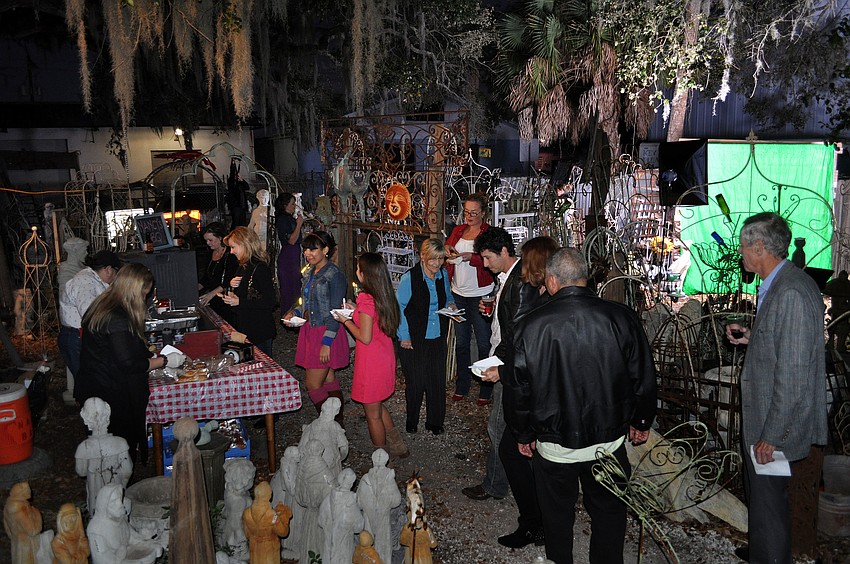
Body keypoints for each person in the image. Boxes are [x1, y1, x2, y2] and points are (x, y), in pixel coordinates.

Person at [506, 248, 656, 564]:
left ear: (550, 280)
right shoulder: (620, 317)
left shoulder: (530, 325)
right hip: (607, 441)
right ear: (585, 278)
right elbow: (642, 374)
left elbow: (519, 388)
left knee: (557, 516)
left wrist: (522, 433)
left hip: (554, 444)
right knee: (609, 513)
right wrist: (641, 421)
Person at [726, 212, 827, 564]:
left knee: (769, 505)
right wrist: (753, 338)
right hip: (769, 421)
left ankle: (769, 557)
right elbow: (786, 346)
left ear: (759, 247)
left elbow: (795, 374)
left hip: (775, 427)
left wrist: (772, 435)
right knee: (764, 502)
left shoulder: (792, 292)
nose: (740, 253)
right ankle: (765, 552)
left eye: (743, 246)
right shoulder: (781, 284)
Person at [462, 234, 559, 552]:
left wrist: (499, 367)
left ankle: (532, 520)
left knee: (512, 443)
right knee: (510, 442)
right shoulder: (526, 286)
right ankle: (535, 520)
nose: (485, 265)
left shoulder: (530, 288)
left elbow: (523, 343)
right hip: (516, 373)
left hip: (521, 379)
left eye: (488, 257)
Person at [75, 262, 170, 464]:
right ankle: (118, 484)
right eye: (144, 293)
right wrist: (162, 361)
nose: (145, 298)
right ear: (133, 290)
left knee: (107, 447)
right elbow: (127, 363)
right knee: (116, 449)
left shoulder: (103, 303)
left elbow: (122, 347)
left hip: (96, 382)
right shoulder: (117, 317)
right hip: (108, 390)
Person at [333, 252, 408, 457]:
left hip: (371, 362)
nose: (356, 271)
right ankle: (398, 446)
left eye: (358, 268)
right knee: (377, 405)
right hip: (384, 357)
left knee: (372, 414)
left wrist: (345, 320)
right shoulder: (383, 295)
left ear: (365, 274)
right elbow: (372, 320)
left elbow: (364, 337)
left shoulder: (367, 300)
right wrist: (355, 310)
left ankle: (380, 462)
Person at [282, 231, 349, 422]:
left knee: (313, 385)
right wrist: (294, 312)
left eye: (313, 249)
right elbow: (305, 301)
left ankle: (330, 425)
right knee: (328, 379)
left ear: (326, 250)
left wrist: (327, 341)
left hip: (326, 332)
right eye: (305, 249)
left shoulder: (334, 275)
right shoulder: (311, 272)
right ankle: (338, 426)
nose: (308, 253)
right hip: (310, 329)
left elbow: (336, 311)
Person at [396, 238, 456, 435]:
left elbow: (447, 297)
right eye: (432, 259)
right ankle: (412, 421)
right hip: (415, 337)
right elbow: (399, 308)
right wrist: (404, 336)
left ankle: (435, 422)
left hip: (437, 335)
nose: (437, 264)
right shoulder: (409, 279)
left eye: (440, 259)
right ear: (422, 257)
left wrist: (452, 306)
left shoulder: (442, 275)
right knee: (415, 381)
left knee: (436, 380)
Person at [445, 192, 496, 405]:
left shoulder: (489, 233)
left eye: (474, 212)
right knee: (462, 343)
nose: (470, 216)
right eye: (466, 212)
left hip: (481, 294)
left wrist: (470, 258)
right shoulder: (458, 230)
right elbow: (447, 250)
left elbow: (491, 259)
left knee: (484, 342)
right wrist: (448, 250)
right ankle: (463, 384)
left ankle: (486, 387)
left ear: (483, 212)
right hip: (459, 293)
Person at [58, 250, 121, 385]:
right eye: (116, 273)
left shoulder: (92, 279)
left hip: (79, 336)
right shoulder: (86, 282)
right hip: (76, 337)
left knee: (92, 381)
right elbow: (89, 313)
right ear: (109, 269)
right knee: (89, 383)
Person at [220, 226, 276, 357]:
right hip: (246, 327)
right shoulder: (243, 266)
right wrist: (232, 287)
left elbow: (270, 301)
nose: (231, 251)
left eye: (233, 247)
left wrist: (240, 302)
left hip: (259, 329)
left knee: (262, 369)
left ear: (245, 245)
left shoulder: (260, 268)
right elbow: (244, 294)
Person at [198, 222, 239, 325]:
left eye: (210, 240)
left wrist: (211, 294)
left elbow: (228, 279)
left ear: (220, 238)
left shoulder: (230, 254)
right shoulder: (210, 254)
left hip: (226, 298)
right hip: (214, 297)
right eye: (206, 240)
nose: (208, 243)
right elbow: (207, 278)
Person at [275, 192, 305, 312]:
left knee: (295, 284)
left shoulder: (288, 218)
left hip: (294, 253)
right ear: (285, 205)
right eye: (292, 204)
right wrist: (298, 224)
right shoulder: (283, 220)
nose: (294, 206)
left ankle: (295, 313)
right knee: (289, 286)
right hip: (289, 255)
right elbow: (291, 240)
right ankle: (288, 314)